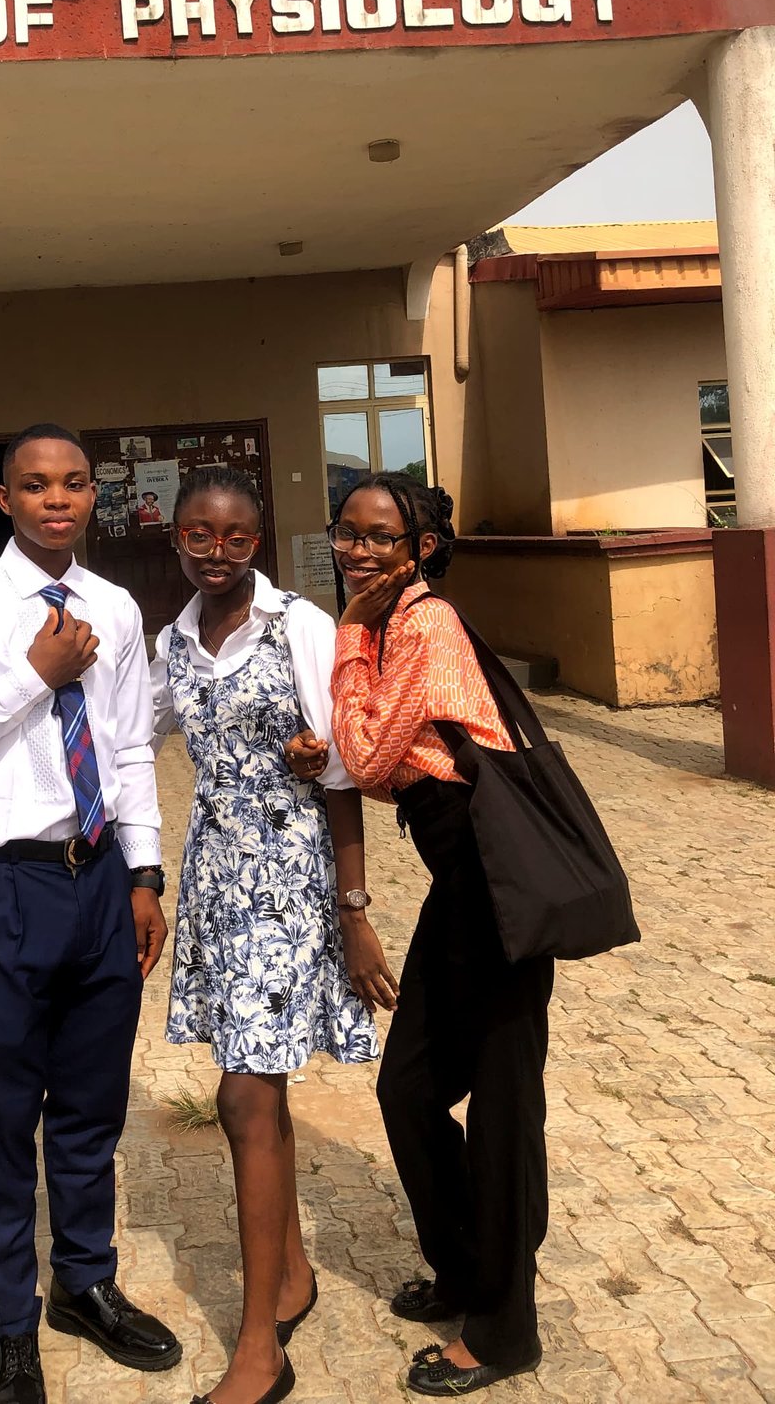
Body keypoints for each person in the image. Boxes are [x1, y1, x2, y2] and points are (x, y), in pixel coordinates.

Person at [0, 424, 182, 1404]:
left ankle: (84, 1284)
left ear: (93, 494)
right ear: (5, 499)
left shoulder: (116, 607)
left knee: (92, 1106)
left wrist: (144, 875)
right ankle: (11, 1325)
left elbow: (130, 747)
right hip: (6, 885)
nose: (57, 499)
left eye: (74, 483)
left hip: (99, 878)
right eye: (35, 484)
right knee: (5, 1113)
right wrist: (32, 677)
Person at [290, 470, 551, 1397]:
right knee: (408, 1089)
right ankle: (464, 1268)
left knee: (504, 1106)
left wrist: (346, 636)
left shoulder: (423, 624)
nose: (358, 549)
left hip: (499, 888)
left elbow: (368, 757)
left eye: (379, 536)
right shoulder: (392, 624)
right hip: (462, 887)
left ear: (422, 549)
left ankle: (506, 1329)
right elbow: (377, 759)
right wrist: (331, 741)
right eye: (347, 532)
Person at [151, 466, 382, 1404]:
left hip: (288, 883)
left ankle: (260, 1349)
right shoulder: (171, 639)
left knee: (245, 1096)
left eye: (237, 537)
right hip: (216, 877)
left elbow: (344, 773)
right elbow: (130, 735)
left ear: (261, 538)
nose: (217, 553)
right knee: (257, 1084)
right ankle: (290, 1274)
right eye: (199, 536)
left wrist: (355, 912)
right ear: (176, 537)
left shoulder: (300, 626)